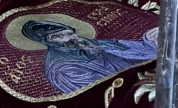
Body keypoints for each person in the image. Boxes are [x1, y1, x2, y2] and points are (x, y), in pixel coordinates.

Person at [21, 20, 158, 93]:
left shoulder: (88, 44)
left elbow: (131, 49)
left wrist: (149, 41)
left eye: (71, 33)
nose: (73, 37)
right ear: (51, 40)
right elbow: (108, 90)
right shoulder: (62, 69)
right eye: (62, 36)